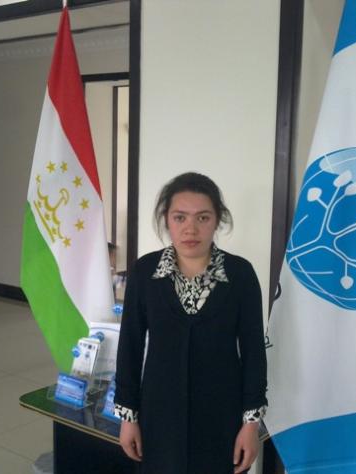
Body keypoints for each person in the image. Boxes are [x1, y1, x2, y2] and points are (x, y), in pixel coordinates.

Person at [114, 172, 268, 474]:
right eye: (180, 217)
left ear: (217, 220)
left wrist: (251, 425)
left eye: (203, 218)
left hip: (221, 415)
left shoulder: (240, 275)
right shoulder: (145, 272)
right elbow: (129, 346)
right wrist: (128, 417)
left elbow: (253, 353)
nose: (190, 229)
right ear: (167, 219)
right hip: (159, 414)